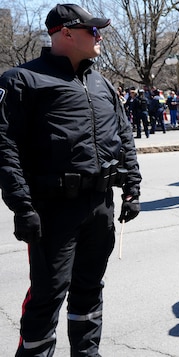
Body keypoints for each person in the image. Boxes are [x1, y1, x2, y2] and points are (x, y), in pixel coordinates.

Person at [0, 4, 142, 355]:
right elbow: (4, 146)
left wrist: (132, 186)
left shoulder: (102, 82)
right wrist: (22, 206)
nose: (100, 36)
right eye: (93, 31)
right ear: (65, 33)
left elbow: (123, 135)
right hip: (53, 210)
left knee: (90, 289)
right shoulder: (22, 80)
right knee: (47, 296)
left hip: (99, 205)